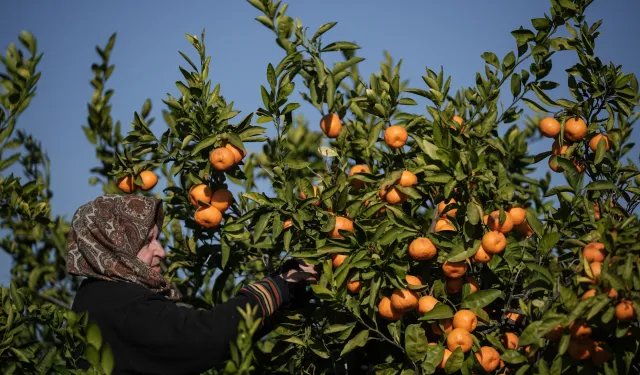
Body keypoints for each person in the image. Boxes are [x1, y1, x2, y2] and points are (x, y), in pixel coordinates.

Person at [67, 194, 318, 374]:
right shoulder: (115, 301)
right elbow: (202, 336)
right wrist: (279, 285)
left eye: (159, 239)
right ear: (115, 244)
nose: (162, 252)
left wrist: (283, 299)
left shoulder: (97, 297)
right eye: (147, 241)